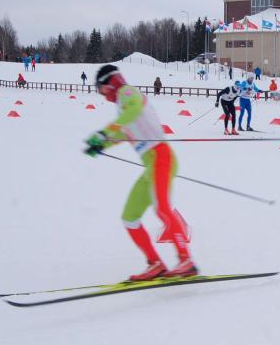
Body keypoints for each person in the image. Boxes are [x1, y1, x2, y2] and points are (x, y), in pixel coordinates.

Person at [84, 65, 196, 280]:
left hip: (162, 158)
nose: (101, 94)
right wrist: (101, 145)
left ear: (110, 83)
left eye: (101, 89)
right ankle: (155, 264)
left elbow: (133, 111)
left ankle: (186, 260)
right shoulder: (122, 110)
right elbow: (123, 134)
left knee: (162, 208)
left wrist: (104, 132)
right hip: (150, 166)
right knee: (130, 217)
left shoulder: (127, 93)